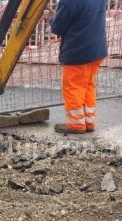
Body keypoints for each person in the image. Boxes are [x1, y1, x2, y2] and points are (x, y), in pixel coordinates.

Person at [45, 0, 108, 134]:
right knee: (87, 85)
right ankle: (88, 122)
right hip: (97, 49)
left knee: (73, 87)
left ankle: (76, 125)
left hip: (79, 51)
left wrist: (51, 19)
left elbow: (58, 28)